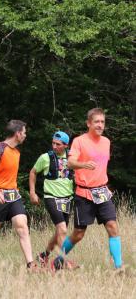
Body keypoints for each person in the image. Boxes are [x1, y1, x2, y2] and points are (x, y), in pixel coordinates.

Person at [53, 109, 123, 270]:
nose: (100, 125)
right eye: (97, 122)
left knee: (112, 226)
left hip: (102, 193)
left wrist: (105, 186)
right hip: (84, 193)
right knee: (78, 233)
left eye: (102, 122)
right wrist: (84, 164)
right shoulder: (79, 141)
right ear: (89, 123)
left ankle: (119, 268)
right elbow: (70, 163)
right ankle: (58, 260)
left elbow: (102, 166)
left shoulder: (106, 142)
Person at [0, 120, 36, 269]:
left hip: (13, 196)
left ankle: (31, 264)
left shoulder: (16, 152)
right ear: (17, 134)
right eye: (24, 132)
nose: (25, 135)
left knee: (22, 226)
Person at [29, 131, 75, 267]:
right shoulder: (45, 158)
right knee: (62, 229)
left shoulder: (72, 157)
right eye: (53, 143)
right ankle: (63, 262)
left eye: (58, 144)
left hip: (67, 198)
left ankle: (44, 255)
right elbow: (33, 172)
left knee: (59, 231)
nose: (54, 146)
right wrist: (32, 192)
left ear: (66, 145)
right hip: (51, 197)